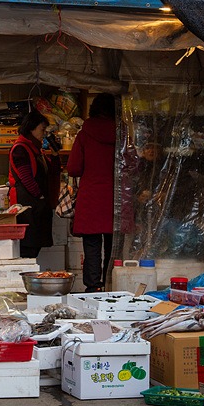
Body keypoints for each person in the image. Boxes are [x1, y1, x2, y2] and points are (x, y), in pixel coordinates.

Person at [66, 93, 117, 293]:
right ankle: (112, 285)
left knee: (92, 245)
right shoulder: (122, 134)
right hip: (116, 197)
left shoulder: (85, 134)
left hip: (92, 198)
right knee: (114, 246)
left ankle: (93, 286)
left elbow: (73, 168)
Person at [8, 112, 56, 259]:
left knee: (34, 250)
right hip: (27, 209)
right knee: (27, 250)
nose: (44, 134)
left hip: (38, 207)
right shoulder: (20, 149)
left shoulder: (36, 149)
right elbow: (26, 177)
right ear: (31, 128)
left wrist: (55, 154)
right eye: (42, 130)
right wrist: (39, 195)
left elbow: (51, 171)